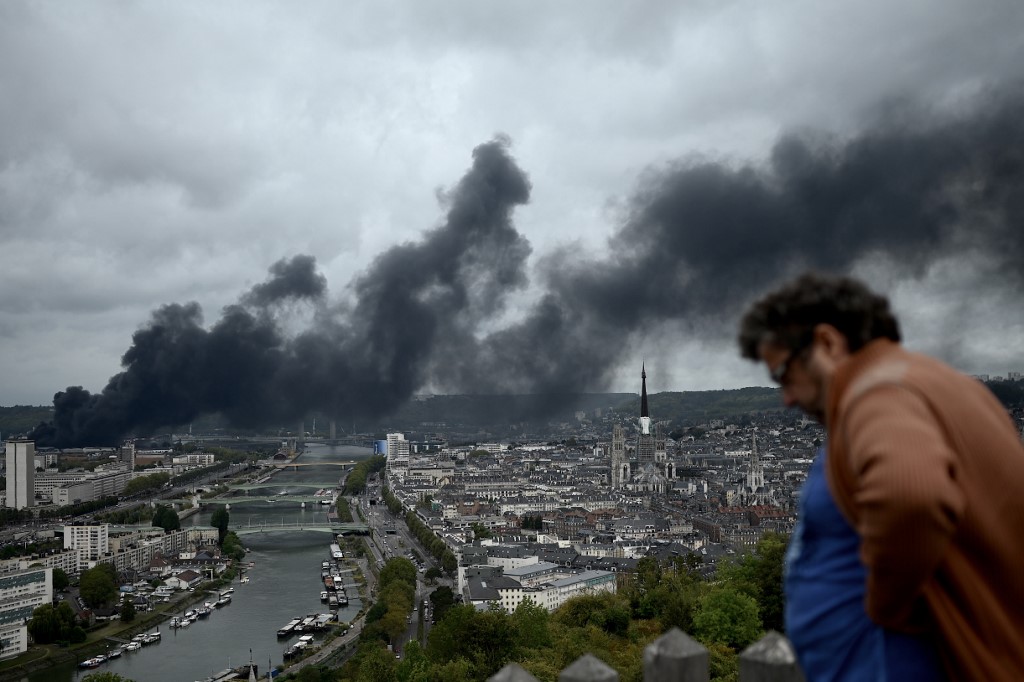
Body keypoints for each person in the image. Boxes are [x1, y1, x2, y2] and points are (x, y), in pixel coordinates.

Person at [738, 272, 1024, 681]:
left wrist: (885, 607)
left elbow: (912, 495)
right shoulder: (946, 387)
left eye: (783, 373)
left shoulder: (877, 391)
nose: (785, 397)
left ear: (827, 344)